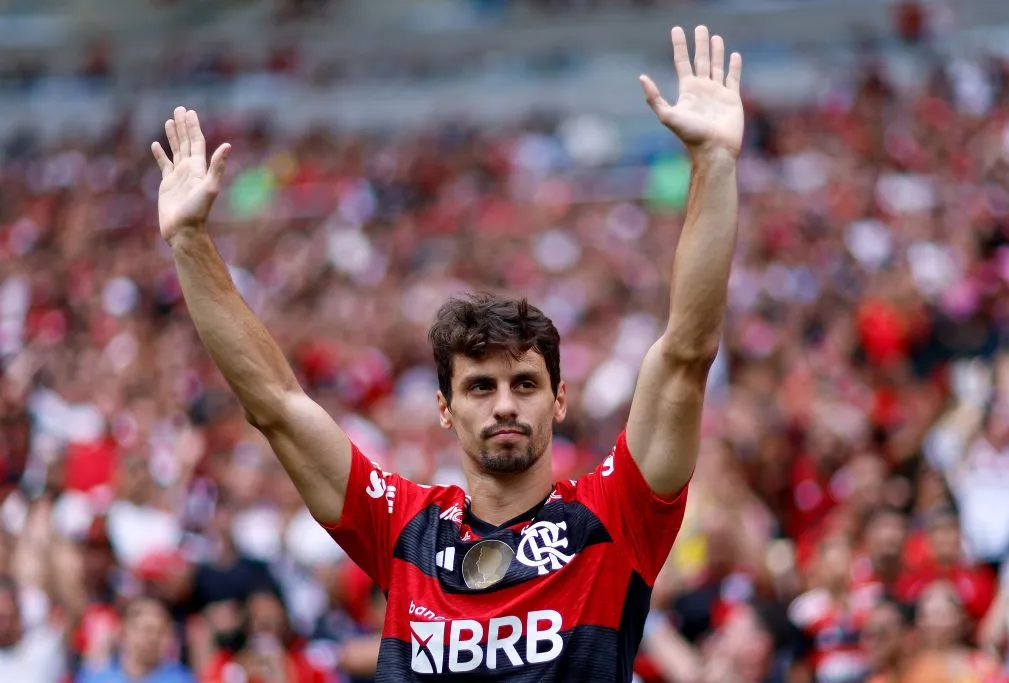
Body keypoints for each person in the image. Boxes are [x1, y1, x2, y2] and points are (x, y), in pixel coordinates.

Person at [149, 23, 743, 681]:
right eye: (479, 387)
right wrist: (188, 242)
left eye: (524, 382)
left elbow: (686, 351)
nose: (505, 404)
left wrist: (714, 164)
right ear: (444, 407)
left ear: (561, 398)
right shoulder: (407, 530)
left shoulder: (613, 517)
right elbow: (277, 405)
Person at [74, 597, 196, 683]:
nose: (153, 638)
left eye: (160, 632)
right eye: (147, 630)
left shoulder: (181, 679)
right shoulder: (96, 676)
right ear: (125, 632)